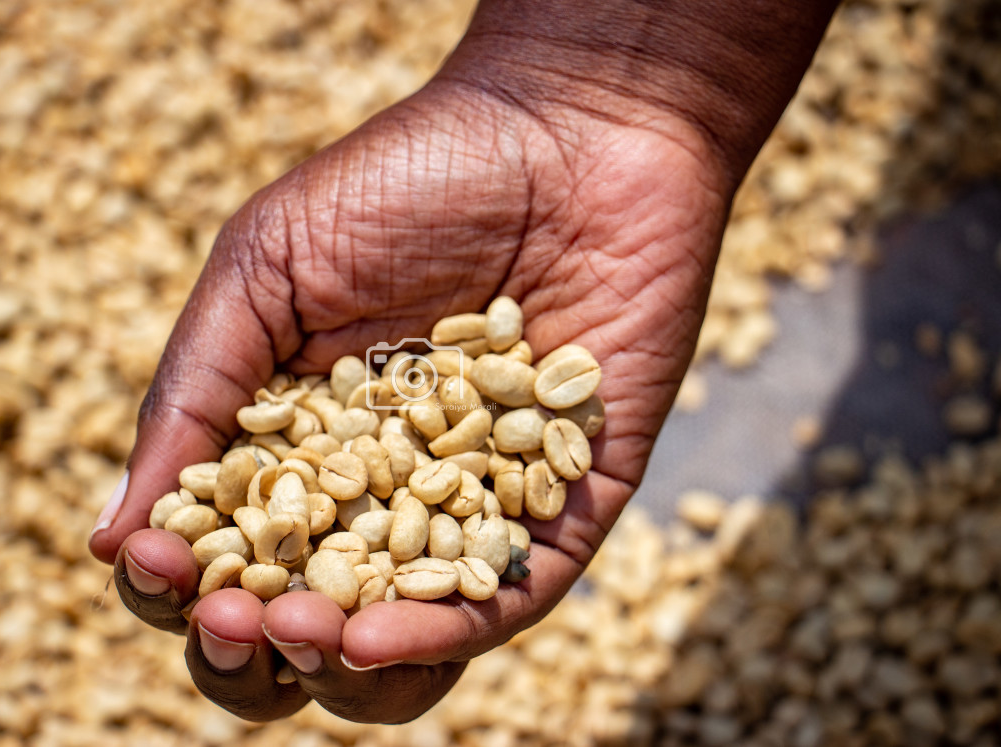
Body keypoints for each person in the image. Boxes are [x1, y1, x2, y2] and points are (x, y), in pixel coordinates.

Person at [88, 0, 840, 724]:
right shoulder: (362, 450)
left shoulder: (463, 428)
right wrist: (605, 91)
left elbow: (425, 479)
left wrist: (600, 97)